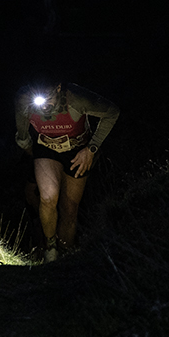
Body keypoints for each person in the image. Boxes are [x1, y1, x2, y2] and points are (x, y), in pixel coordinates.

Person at [15, 79, 119, 262]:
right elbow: (23, 136)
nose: (44, 105)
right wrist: (35, 156)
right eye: (38, 99)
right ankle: (50, 249)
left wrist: (91, 149)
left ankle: (65, 255)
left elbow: (112, 112)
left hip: (77, 151)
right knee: (48, 197)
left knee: (69, 209)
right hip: (46, 148)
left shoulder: (76, 98)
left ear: (58, 88)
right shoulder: (23, 99)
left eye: (48, 98)